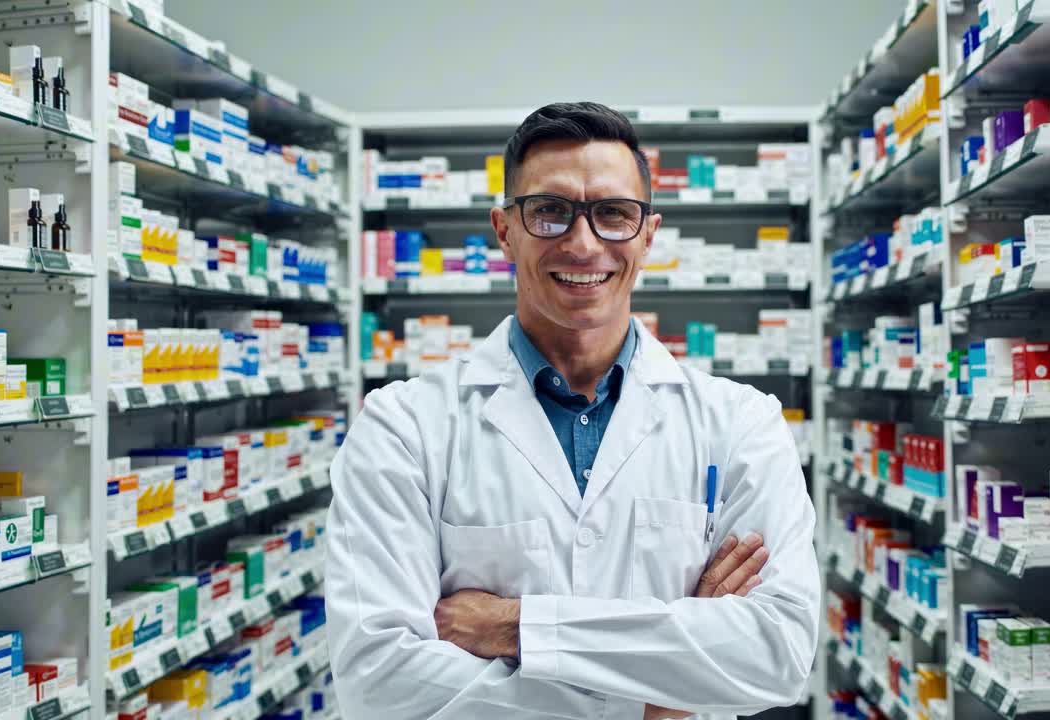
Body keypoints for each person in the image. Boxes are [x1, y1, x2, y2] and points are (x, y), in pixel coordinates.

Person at [326, 101, 820, 719]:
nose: (584, 244)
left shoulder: (742, 424)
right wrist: (649, 702)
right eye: (550, 212)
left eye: (613, 214)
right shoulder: (402, 427)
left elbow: (777, 655)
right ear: (504, 230)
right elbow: (377, 682)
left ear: (648, 234)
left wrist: (515, 627)